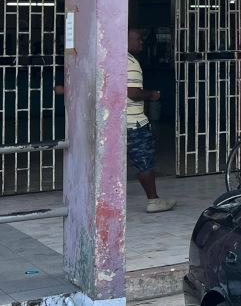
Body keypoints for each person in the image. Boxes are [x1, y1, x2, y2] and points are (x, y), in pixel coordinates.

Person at [54, 27, 176, 213]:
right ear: (124, 41)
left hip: (109, 122)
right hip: (134, 123)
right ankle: (153, 200)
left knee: (105, 162)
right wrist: (152, 95)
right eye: (138, 39)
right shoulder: (130, 62)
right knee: (144, 162)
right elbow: (133, 93)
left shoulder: (105, 60)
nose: (141, 43)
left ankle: (97, 200)